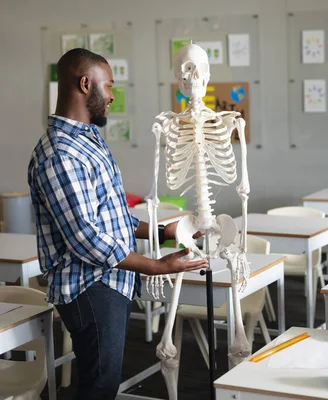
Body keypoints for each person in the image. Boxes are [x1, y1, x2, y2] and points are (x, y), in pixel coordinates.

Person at [27, 48, 206, 400]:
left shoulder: (89, 140)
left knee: (103, 381)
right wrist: (154, 265)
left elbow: (112, 217)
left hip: (110, 280)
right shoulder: (60, 154)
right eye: (108, 85)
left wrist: (162, 232)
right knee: (99, 387)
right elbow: (86, 238)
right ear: (85, 84)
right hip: (89, 287)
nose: (111, 96)